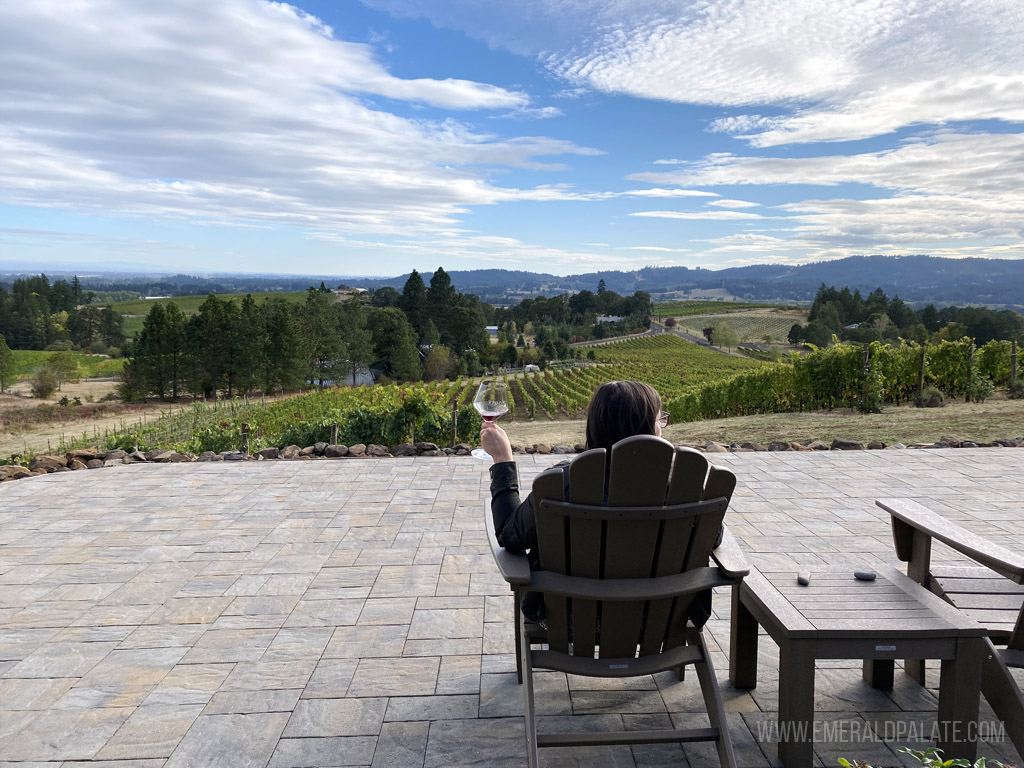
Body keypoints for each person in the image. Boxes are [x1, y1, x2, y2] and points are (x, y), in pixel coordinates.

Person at [482, 380, 705, 627]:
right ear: (648, 428)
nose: (662, 426)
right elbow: (711, 538)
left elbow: (509, 536)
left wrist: (502, 459)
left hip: (570, 620)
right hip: (661, 619)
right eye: (659, 419)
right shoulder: (684, 487)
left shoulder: (561, 484)